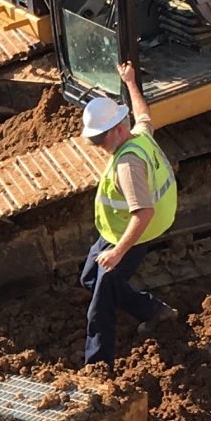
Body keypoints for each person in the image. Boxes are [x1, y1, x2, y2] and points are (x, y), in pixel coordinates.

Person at [76, 58, 178, 369]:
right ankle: (154, 311)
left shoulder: (128, 165)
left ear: (119, 130)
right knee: (89, 278)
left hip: (133, 235)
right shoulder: (139, 135)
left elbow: (143, 212)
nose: (97, 145)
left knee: (100, 306)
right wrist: (131, 82)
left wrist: (118, 253)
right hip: (116, 231)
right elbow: (143, 113)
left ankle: (98, 368)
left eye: (100, 138)